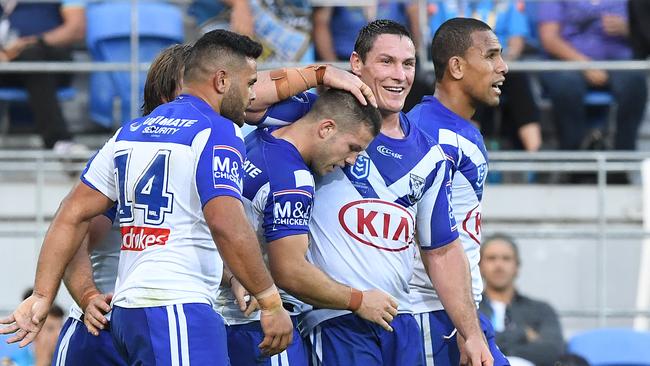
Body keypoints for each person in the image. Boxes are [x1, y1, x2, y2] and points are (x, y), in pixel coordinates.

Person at [0, 29, 295, 364]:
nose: (252, 95)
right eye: (250, 83)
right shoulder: (218, 131)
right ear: (221, 81)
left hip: (126, 310)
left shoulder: (129, 132)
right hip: (175, 307)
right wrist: (270, 300)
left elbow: (71, 213)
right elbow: (225, 221)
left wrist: (42, 294)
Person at [250, 19, 492, 366]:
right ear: (356, 64)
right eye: (386, 61)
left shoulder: (430, 154)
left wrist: (471, 334)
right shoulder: (319, 112)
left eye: (408, 64)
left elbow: (442, 251)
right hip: (334, 319)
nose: (400, 75)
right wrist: (319, 74)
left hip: (398, 319)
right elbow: (243, 98)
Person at [218, 88, 392, 366]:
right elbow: (290, 272)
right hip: (262, 326)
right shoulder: (292, 180)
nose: (352, 161)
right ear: (326, 128)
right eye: (353, 148)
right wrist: (359, 300)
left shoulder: (259, 135)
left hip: (224, 314)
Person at [49, 44, 194, 366]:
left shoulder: (212, 146)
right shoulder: (134, 150)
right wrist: (87, 295)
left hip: (169, 320)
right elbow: (75, 231)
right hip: (107, 326)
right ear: (167, 95)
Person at [406, 17, 510, 366]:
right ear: (457, 66)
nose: (503, 67)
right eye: (492, 55)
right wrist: (466, 329)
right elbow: (423, 240)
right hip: (433, 312)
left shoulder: (464, 130)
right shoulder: (423, 134)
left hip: (462, 311)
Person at [427, 1, 542, 152]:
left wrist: (493, 62)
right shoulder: (443, 3)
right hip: (460, 66)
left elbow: (516, 42)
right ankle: (467, 149)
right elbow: (441, 43)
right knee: (474, 78)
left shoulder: (508, 3)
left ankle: (536, 155)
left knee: (516, 77)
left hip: (502, 62)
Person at [537, 0, 647, 155]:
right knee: (566, 86)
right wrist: (585, 64)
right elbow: (549, 39)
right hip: (567, 63)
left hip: (619, 62)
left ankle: (623, 160)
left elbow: (645, 33)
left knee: (635, 82)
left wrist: (628, 29)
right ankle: (572, 159)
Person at [0, 0, 87, 154]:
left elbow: (76, 28)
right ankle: (60, 143)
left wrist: (29, 43)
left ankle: (59, 142)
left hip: (50, 57)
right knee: (31, 57)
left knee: (32, 55)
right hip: (7, 64)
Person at [478, 234, 564, 366]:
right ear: (480, 266)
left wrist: (494, 345)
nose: (499, 265)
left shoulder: (541, 310)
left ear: (517, 267)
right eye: (491, 258)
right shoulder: (472, 310)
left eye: (506, 259)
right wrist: (522, 334)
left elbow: (552, 351)